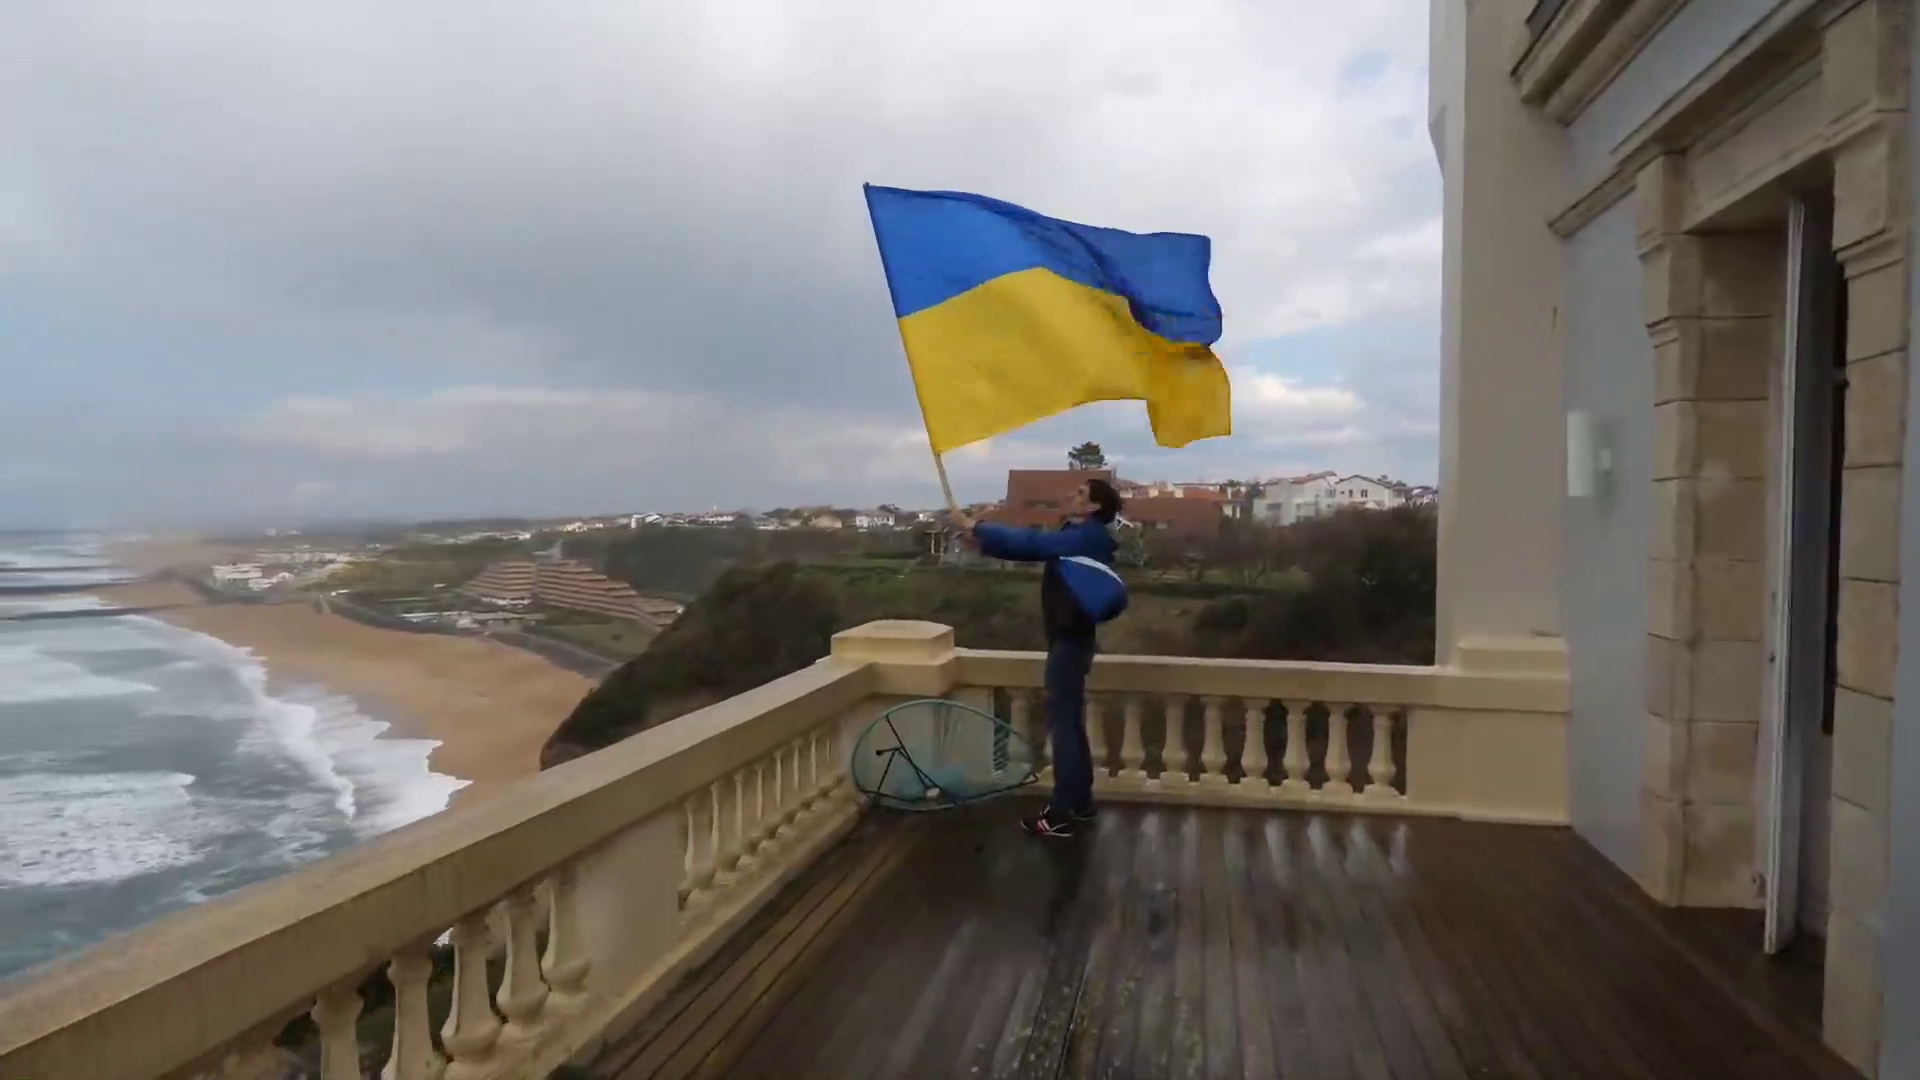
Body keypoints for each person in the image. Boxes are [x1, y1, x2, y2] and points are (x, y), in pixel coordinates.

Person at [950, 478, 1127, 837]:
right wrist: (984, 544)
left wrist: (976, 525)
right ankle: (1080, 803)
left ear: (1094, 506)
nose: (1071, 495)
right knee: (1070, 723)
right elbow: (1028, 550)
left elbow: (1033, 541)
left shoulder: (1086, 536)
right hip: (1071, 640)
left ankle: (1060, 812)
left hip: (1070, 642)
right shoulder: (1078, 536)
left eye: (1080, 493)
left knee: (1063, 727)